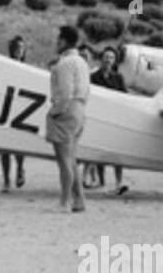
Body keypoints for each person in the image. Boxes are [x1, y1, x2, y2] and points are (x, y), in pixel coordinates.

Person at [46, 24, 90, 212]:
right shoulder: (82, 62)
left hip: (66, 110)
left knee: (64, 160)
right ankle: (79, 200)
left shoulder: (64, 64)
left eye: (58, 39)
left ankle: (65, 202)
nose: (56, 42)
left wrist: (56, 111)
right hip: (80, 109)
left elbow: (65, 92)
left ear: (64, 41)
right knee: (71, 159)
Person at [88, 46, 128, 195]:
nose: (108, 60)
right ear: (101, 59)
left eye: (111, 58)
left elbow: (125, 97)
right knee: (100, 152)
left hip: (115, 119)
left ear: (114, 60)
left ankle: (118, 182)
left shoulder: (118, 78)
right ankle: (101, 181)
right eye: (106, 57)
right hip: (99, 117)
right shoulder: (93, 77)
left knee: (117, 153)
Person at [0, 35, 28, 192]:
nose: (19, 51)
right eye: (17, 48)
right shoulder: (5, 65)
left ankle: (20, 169)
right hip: (5, 108)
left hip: (20, 110)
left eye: (22, 48)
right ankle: (6, 179)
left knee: (18, 145)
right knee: (4, 147)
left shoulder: (26, 69)